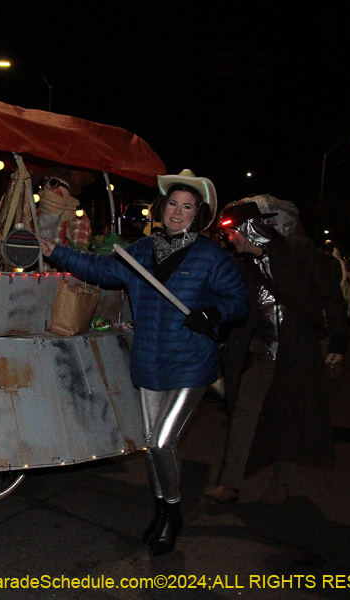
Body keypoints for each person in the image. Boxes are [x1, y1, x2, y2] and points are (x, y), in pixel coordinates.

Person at [41, 169, 248, 556]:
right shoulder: (139, 251)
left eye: (187, 207)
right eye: (173, 204)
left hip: (191, 362)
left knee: (161, 441)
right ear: (162, 207)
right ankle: (161, 510)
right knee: (153, 448)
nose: (177, 212)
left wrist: (213, 313)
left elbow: (238, 300)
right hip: (149, 362)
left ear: (196, 213)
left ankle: (172, 515)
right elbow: (101, 270)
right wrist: (57, 253)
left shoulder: (211, 256)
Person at [204, 195, 348, 506]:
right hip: (265, 353)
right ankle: (230, 484)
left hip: (301, 352)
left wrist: (337, 344)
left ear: (252, 228)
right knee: (244, 410)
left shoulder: (301, 254)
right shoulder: (243, 267)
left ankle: (280, 487)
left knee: (290, 416)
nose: (229, 239)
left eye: (233, 232)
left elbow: (333, 299)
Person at [35, 167, 94, 251]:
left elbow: (78, 253)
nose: (47, 190)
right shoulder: (34, 214)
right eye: (44, 186)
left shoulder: (75, 215)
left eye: (53, 185)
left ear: (64, 190)